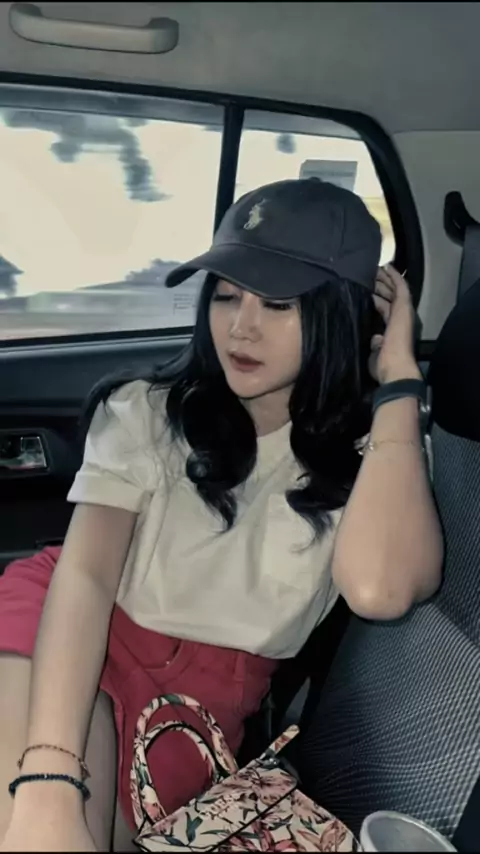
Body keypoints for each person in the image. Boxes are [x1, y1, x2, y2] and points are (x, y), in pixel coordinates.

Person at [0, 179, 443, 852]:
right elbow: (85, 577)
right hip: (74, 633)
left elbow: (381, 589)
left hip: (195, 713)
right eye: (227, 295)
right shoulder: (147, 410)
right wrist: (49, 780)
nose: (240, 326)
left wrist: (401, 380)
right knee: (32, 820)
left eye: (277, 303)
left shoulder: (378, 455)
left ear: (339, 314)